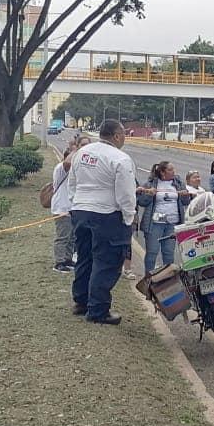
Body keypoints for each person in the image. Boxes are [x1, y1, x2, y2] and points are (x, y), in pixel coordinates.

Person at [67, 119, 136, 325]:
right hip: (107, 214)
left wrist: (75, 203)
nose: (124, 138)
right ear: (116, 136)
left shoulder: (82, 153)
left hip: (81, 210)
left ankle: (81, 302)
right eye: (123, 134)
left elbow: (72, 182)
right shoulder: (120, 158)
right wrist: (129, 218)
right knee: (106, 262)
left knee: (85, 257)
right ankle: (98, 310)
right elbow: (126, 194)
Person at [136, 160, 189, 277]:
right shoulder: (151, 183)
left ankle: (168, 279)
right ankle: (149, 279)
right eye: (170, 170)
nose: (173, 172)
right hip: (156, 222)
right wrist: (148, 194)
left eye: (174, 169)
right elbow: (142, 202)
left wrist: (185, 195)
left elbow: (186, 202)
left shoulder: (178, 183)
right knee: (152, 252)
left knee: (169, 253)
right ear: (162, 172)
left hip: (173, 222)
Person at [50, 135, 92, 272]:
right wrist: (77, 150)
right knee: (63, 236)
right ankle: (59, 262)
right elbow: (67, 163)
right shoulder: (62, 168)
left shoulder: (80, 169)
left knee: (72, 237)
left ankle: (67, 259)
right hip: (62, 208)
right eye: (83, 145)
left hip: (75, 208)